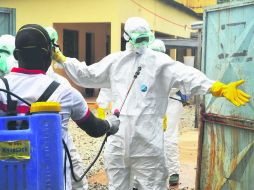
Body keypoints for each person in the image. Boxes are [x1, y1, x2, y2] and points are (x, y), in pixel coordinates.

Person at [53, 17, 250, 190]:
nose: (141, 43)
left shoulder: (160, 63)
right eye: (137, 38)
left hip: (148, 142)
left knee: (153, 185)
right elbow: (87, 75)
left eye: (144, 38)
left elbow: (188, 76)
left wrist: (217, 87)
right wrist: (63, 59)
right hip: (118, 141)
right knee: (117, 185)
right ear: (126, 37)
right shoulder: (115, 62)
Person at [0, 24, 120, 190]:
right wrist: (110, 124)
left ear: (15, 54)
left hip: (9, 179)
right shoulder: (65, 93)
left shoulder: (1, 88)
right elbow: (94, 128)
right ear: (49, 54)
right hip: (51, 181)